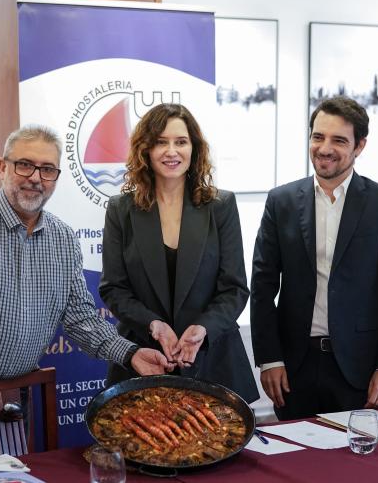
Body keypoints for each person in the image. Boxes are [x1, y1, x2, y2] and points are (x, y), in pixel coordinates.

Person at [0, 125, 171, 457]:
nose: (35, 177)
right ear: (2, 167)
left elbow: (80, 320)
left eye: (47, 169)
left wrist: (131, 354)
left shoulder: (63, 238)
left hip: (15, 394)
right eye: (24, 165)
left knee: (13, 478)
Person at [250, 96, 378, 420]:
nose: (325, 148)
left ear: (360, 146)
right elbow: (262, 285)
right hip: (293, 369)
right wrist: (269, 359)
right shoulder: (280, 202)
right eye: (318, 137)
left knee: (357, 467)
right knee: (294, 463)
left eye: (339, 140)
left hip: (360, 370)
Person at [99, 103, 259, 402]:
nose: (171, 151)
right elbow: (114, 289)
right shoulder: (121, 209)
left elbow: (234, 288)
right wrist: (154, 326)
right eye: (161, 142)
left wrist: (203, 327)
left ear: (194, 149)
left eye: (180, 142)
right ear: (145, 149)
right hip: (144, 362)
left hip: (213, 360)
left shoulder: (220, 206)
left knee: (215, 449)